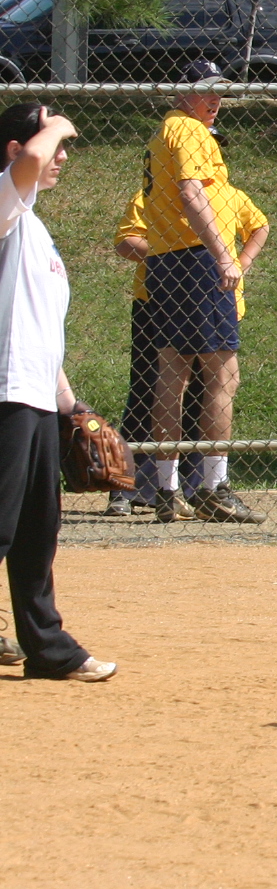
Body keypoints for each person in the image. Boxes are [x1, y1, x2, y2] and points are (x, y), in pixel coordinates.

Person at [0, 102, 116, 680]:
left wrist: (72, 404)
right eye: (54, 144)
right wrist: (59, 123)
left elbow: (39, 329)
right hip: (5, 395)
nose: (62, 155)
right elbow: (30, 162)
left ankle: (48, 650)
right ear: (13, 150)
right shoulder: (4, 204)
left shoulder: (35, 230)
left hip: (35, 396)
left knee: (35, 530)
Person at [140, 61, 265, 524]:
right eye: (204, 91)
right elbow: (192, 194)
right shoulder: (189, 129)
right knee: (222, 373)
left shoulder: (166, 131)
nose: (214, 100)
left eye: (219, 92)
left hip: (165, 261)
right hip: (195, 260)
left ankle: (168, 490)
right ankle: (214, 487)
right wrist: (223, 256)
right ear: (180, 94)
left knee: (172, 371)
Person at [107, 182, 268, 516]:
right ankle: (128, 487)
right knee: (148, 389)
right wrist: (172, 257)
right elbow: (126, 241)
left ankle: (193, 488)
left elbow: (260, 226)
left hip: (216, 301)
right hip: (156, 302)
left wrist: (240, 263)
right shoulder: (153, 194)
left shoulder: (229, 193)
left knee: (204, 393)